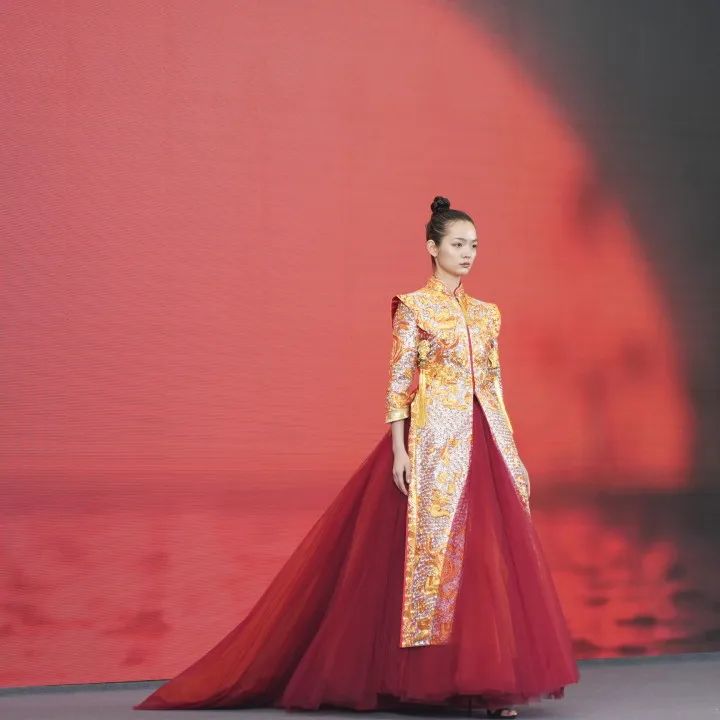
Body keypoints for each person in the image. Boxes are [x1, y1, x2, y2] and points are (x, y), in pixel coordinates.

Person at [134, 196, 580, 717]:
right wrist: (399, 449)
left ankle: (489, 684)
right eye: (458, 244)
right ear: (432, 247)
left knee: (484, 559)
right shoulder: (413, 307)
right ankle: (428, 677)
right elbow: (399, 382)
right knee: (427, 559)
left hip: (485, 441)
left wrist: (511, 450)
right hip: (433, 441)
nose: (468, 254)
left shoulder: (487, 315)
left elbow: (495, 386)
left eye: (474, 246)